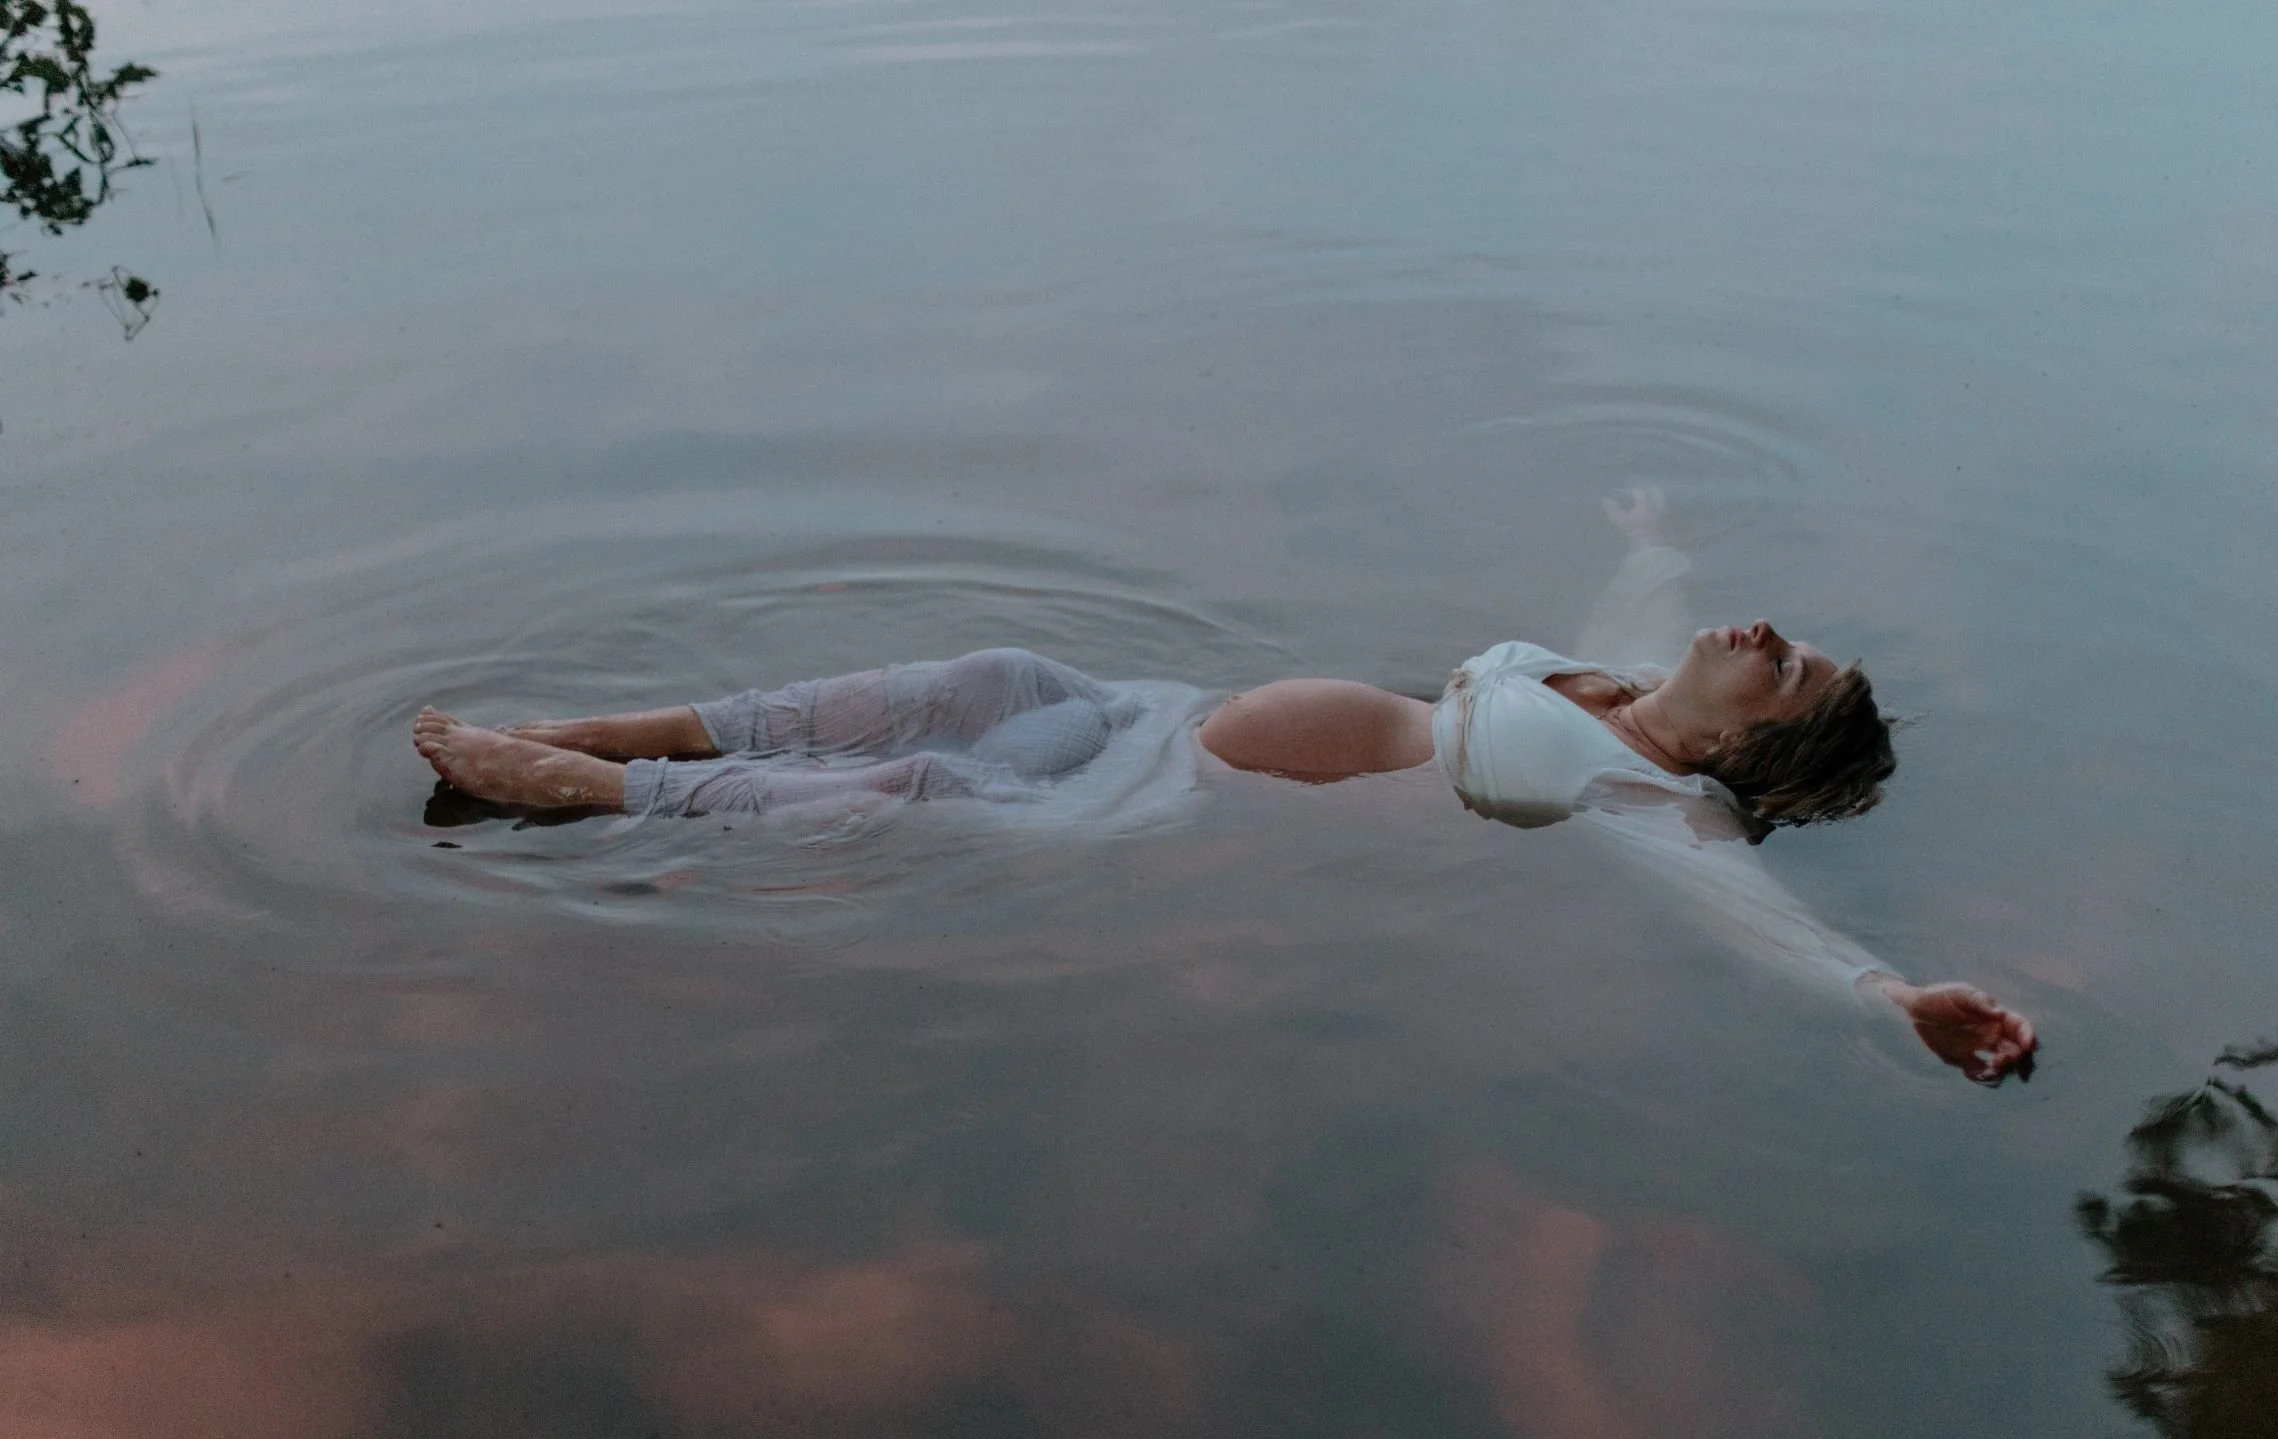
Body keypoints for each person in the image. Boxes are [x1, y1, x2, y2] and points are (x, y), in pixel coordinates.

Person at [412, 491, 2036, 1082]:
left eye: (1786, 665)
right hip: (1153, 712)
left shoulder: (1655, 804)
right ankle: (622, 729)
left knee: (910, 780)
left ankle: (589, 796)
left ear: (1753, 750)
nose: (1764, 633)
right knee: (970, 676)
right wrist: (1651, 549)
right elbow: (1626, 632)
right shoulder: (1612, 688)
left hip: (1160, 807)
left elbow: (1742, 912)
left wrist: (1885, 993)